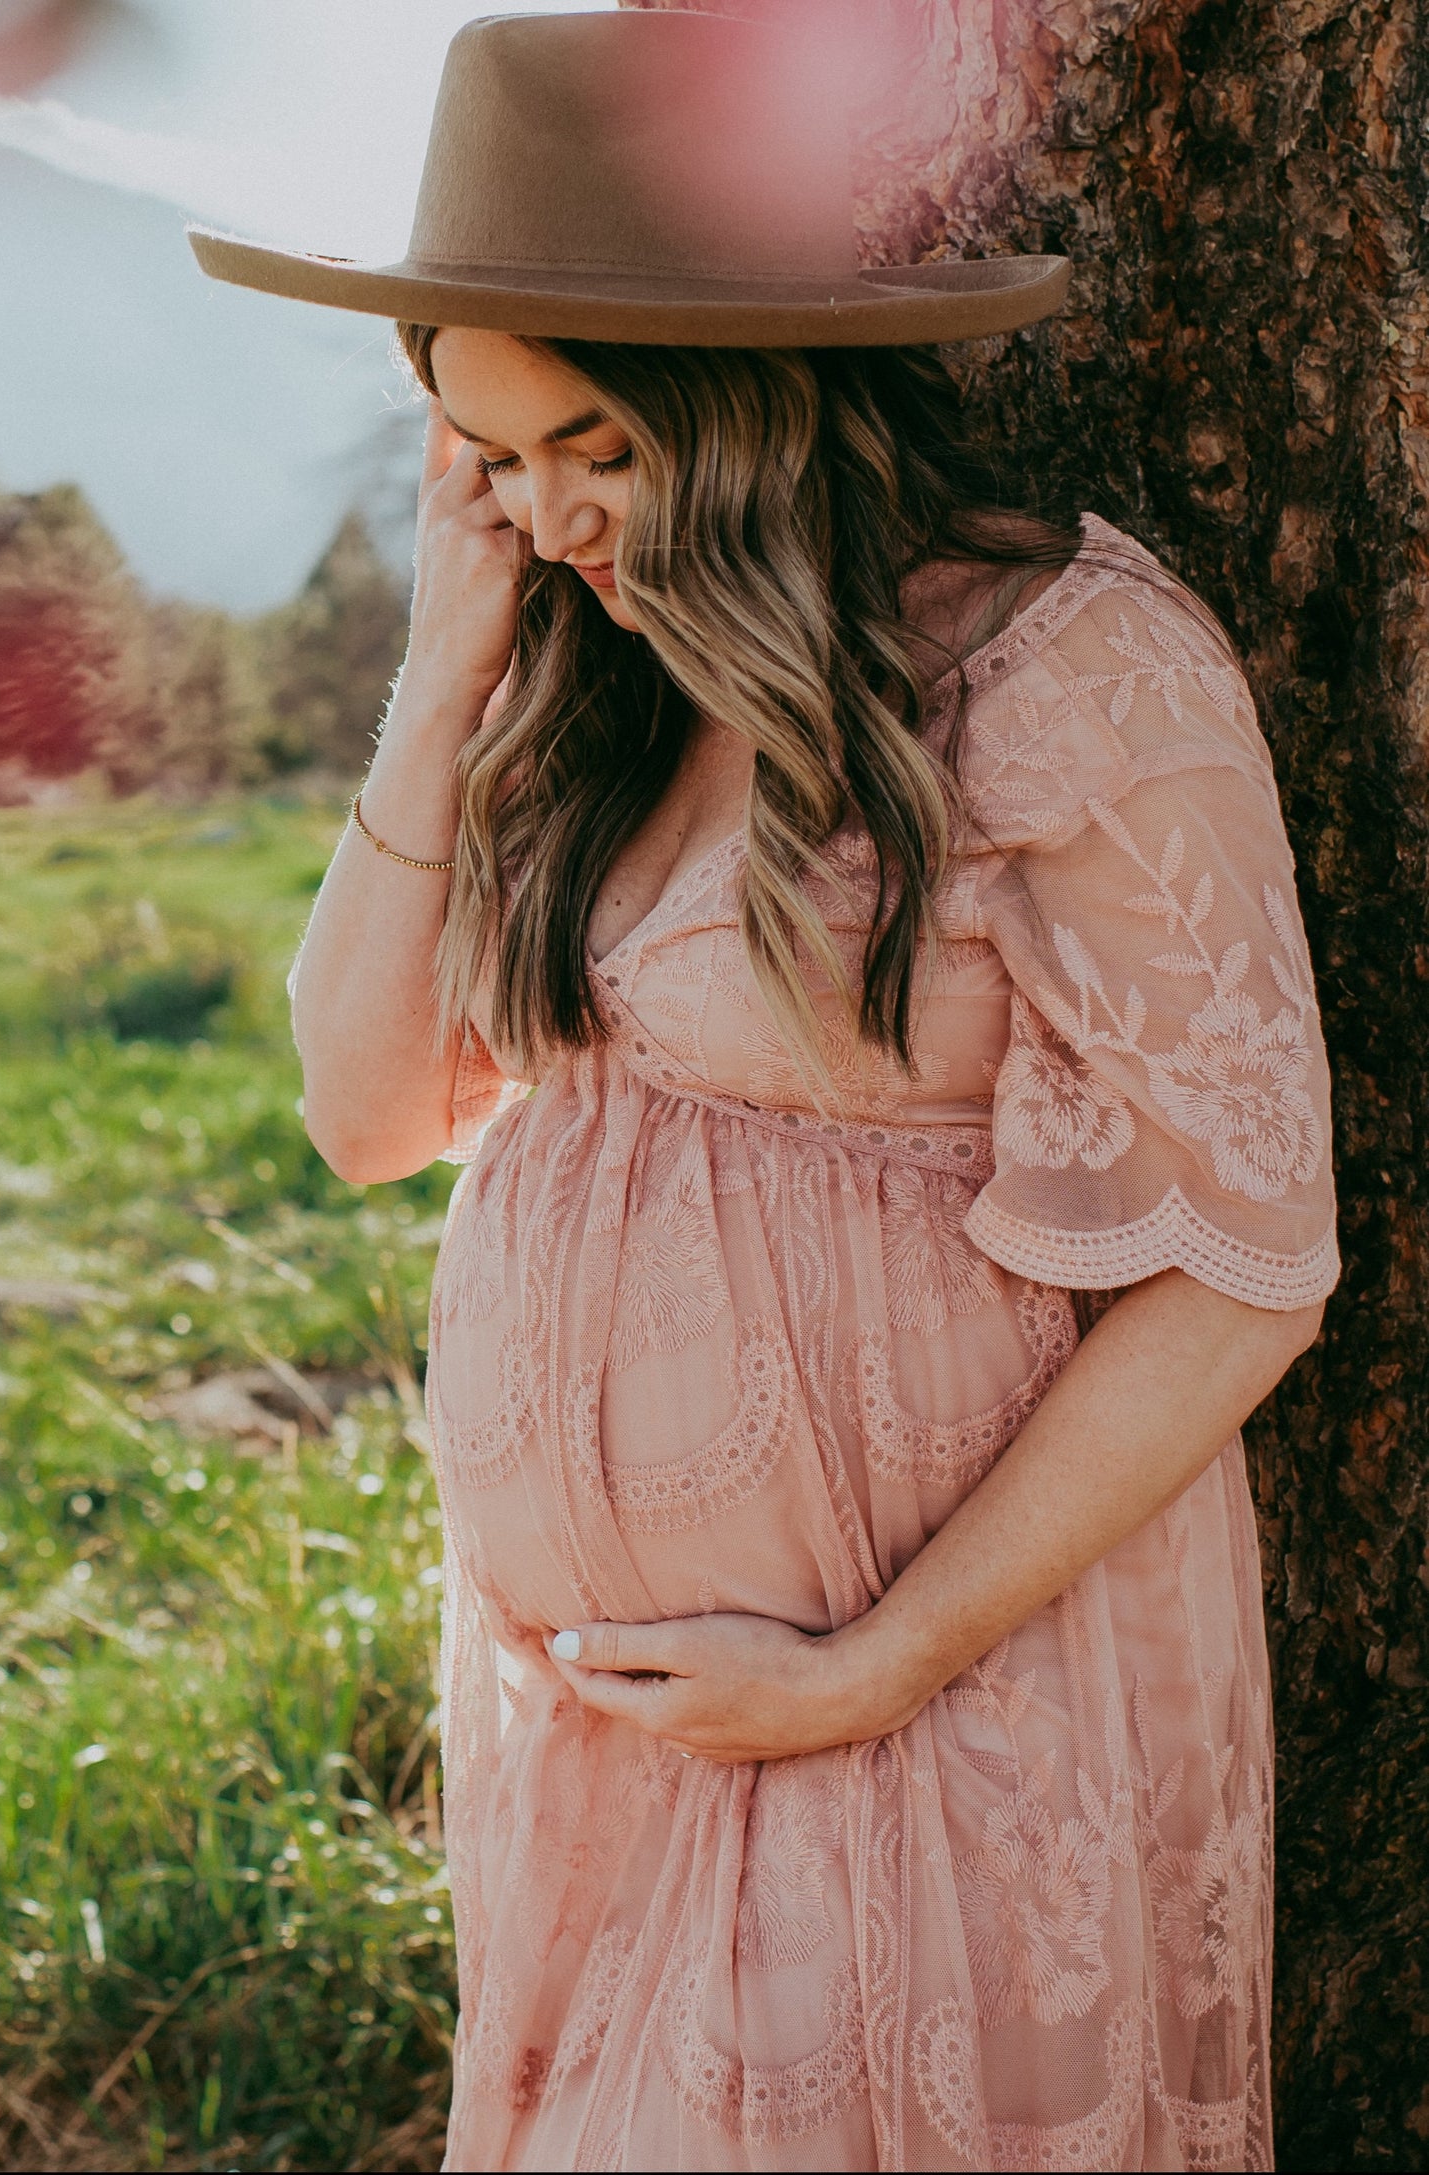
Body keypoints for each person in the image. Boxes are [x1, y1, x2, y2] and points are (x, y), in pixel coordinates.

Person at [192, 13, 1337, 2170]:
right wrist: (443, 666)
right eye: (485, 451)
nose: (543, 512)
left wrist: (874, 1660)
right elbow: (361, 1106)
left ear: (744, 396)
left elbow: (1245, 1265)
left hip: (941, 1694)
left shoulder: (1062, 664)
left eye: (589, 442)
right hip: (616, 1746)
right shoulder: (572, 671)